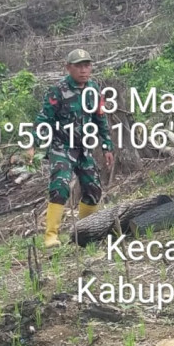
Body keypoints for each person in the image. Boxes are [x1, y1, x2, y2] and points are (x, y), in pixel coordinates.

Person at [24, 48, 113, 248]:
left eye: (87, 65)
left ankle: (84, 233)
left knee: (93, 190)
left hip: (85, 147)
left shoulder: (94, 90)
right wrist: (32, 143)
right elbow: (44, 119)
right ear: (68, 68)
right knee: (60, 186)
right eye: (79, 66)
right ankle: (51, 236)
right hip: (62, 146)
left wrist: (107, 147)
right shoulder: (58, 90)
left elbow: (100, 119)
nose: (84, 70)